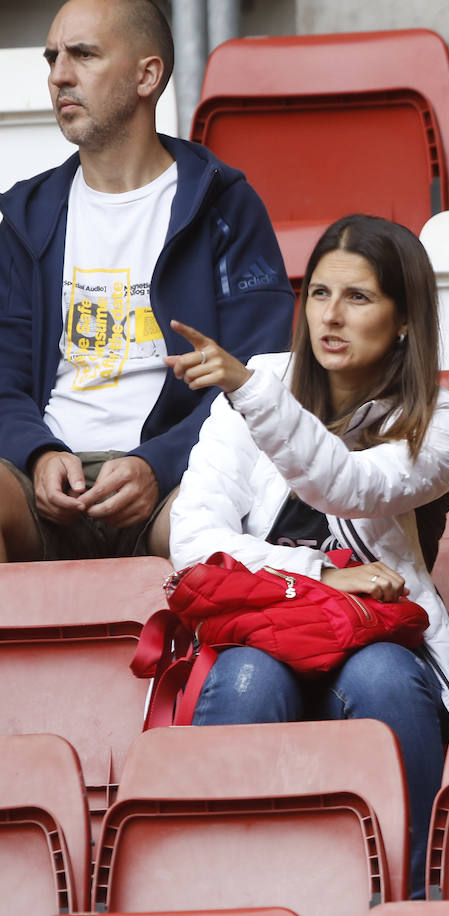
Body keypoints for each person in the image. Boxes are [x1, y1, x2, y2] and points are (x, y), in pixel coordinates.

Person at [168, 214, 449, 896]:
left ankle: (419, 892)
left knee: (386, 680)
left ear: (403, 320)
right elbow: (193, 538)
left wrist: (253, 395)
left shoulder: (442, 420)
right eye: (318, 294)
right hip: (261, 628)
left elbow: (351, 484)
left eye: (358, 298)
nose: (331, 317)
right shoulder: (260, 383)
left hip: (375, 639)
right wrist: (323, 573)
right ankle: (226, 898)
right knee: (249, 680)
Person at [0, 0, 293, 563]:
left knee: (211, 536)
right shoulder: (27, 217)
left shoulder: (223, 205)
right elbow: (3, 377)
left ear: (147, 76)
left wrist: (156, 464)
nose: (59, 74)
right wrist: (37, 454)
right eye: (53, 57)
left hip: (173, 481)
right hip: (42, 478)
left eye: (83, 54)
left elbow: (260, 379)